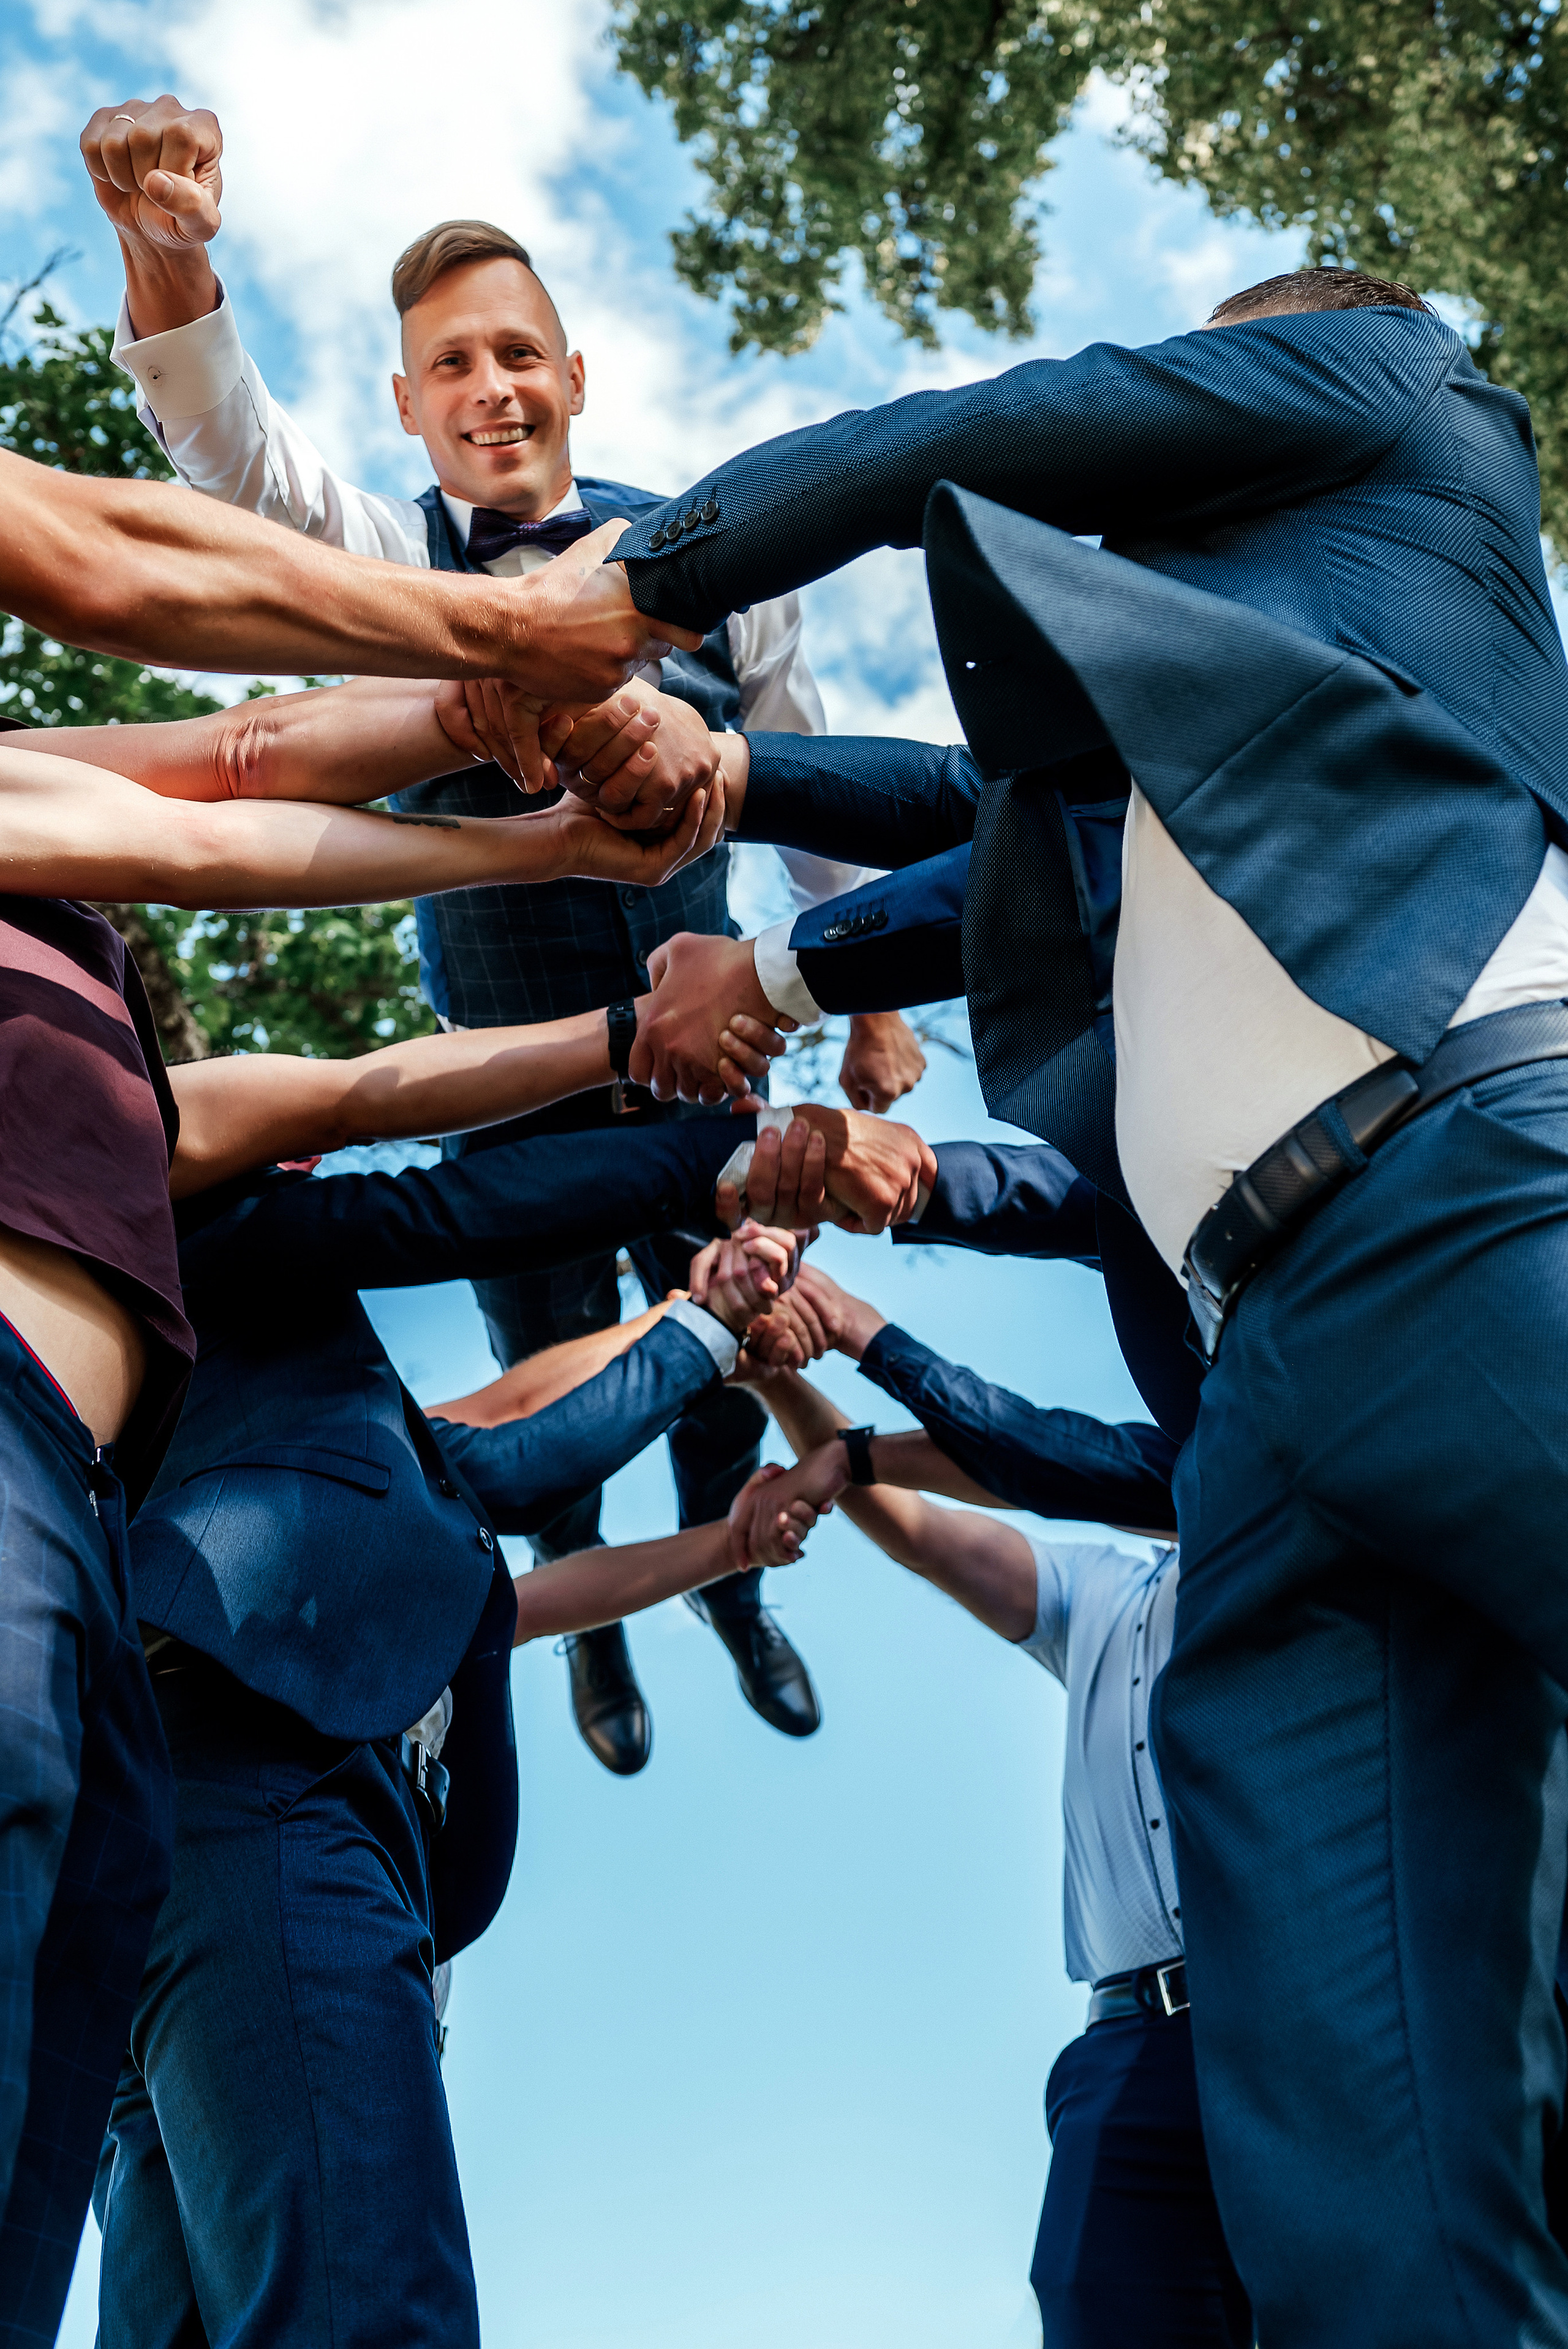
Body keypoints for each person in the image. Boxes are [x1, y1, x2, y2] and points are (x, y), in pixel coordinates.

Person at [559, 265, 1568, 2345]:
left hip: (1488, 1187)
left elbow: (1006, 431)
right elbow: (980, 821)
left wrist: (627, 592)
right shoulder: (1192, 746)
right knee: (1370, 2184)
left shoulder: (1395, 384)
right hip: (1268, 1398)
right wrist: (737, 791)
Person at [86, 91, 929, 1773]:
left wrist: (880, 995)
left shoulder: (707, 558)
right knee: (541, 1347)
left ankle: (734, 1594)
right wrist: (169, 257)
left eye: (517, 354)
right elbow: (235, 465)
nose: (493, 391)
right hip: (503, 1074)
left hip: (712, 1042)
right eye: (453, 367)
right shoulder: (388, 570)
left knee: (725, 1316)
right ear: (408, 404)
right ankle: (579, 1608)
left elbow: (811, 751)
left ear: (573, 373)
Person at [99, 1121, 801, 2348]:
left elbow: (525, 1478)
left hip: (206, 1874)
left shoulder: (382, 1479)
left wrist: (725, 1514)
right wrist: (717, 1202)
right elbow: (444, 1224)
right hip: (265, 1813)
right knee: (365, 2310)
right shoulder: (223, 1292)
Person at [720, 1275, 1247, 2348]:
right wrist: (785, 1386)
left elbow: (1054, 1458)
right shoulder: (1100, 1591)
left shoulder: (1293, 1542)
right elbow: (923, 1529)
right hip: (1126, 2050)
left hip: (1281, 2025)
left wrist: (862, 1429)